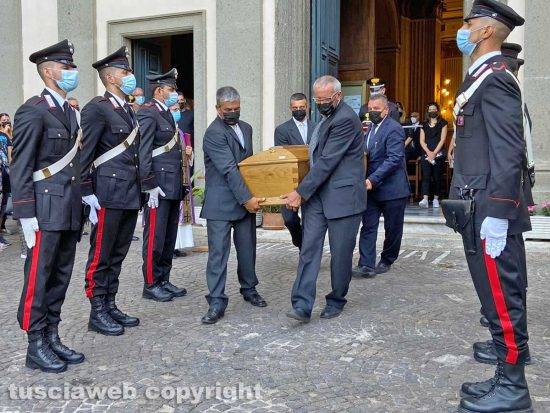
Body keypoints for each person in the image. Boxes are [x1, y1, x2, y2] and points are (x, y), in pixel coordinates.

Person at [449, 1, 533, 412]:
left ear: (484, 32)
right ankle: (504, 372)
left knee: (503, 296)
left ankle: (514, 389)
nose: (462, 30)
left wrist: (499, 213)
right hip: (476, 206)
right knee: (492, 294)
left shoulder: (496, 78)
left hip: (490, 209)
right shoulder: (479, 77)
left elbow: (508, 150)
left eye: (468, 23)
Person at [11, 39, 85, 373]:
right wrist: (25, 212)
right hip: (43, 210)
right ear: (48, 71)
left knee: (60, 275)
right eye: (66, 67)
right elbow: (21, 164)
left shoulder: (69, 111)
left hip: (68, 207)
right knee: (39, 278)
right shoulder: (32, 110)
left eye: (72, 66)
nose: (72, 72)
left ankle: (52, 334)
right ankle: (35, 343)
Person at [471, 41, 535, 368]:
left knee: (508, 278)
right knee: (506, 276)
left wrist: (503, 204)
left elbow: (514, 153)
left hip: (504, 192)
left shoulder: (501, 86)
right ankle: (506, 345)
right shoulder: (508, 90)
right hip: (506, 189)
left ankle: (512, 357)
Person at [283, 75, 366, 322]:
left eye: (324, 99)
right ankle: (301, 305)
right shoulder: (326, 120)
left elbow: (327, 161)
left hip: (343, 199)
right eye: (317, 99)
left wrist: (300, 192)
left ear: (338, 97)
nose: (320, 104)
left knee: (340, 254)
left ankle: (337, 299)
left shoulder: (346, 120)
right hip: (318, 199)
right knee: (309, 250)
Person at [79, 46, 141, 336]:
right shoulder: (96, 108)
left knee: (118, 252)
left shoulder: (128, 109)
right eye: (126, 72)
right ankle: (97, 309)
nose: (131, 76)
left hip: (129, 191)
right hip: (107, 191)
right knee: (101, 253)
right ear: (112, 77)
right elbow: (86, 154)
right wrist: (86, 190)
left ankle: (111, 302)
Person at [200, 86, 267, 325]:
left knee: (248, 249)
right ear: (218, 109)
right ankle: (216, 299)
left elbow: (247, 165)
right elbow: (229, 169)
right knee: (218, 254)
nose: (233, 113)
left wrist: (257, 193)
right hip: (221, 204)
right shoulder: (213, 134)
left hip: (244, 201)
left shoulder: (246, 128)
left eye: (237, 109)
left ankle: (249, 288)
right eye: (228, 109)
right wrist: (248, 199)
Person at [138, 68, 187, 302]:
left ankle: (164, 279)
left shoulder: (167, 113)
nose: (174, 94)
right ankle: (151, 283)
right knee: (155, 238)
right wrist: (149, 185)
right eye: (171, 89)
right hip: (157, 187)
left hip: (172, 185)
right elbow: (144, 150)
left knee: (168, 237)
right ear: (159, 91)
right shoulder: (148, 113)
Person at [352, 94, 410, 278]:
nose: (372, 112)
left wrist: (372, 179)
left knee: (393, 229)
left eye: (376, 109)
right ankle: (366, 265)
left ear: (386, 110)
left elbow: (394, 159)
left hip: (392, 189)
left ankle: (387, 260)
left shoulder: (394, 129)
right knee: (368, 226)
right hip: (371, 189)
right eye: (370, 109)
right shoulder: (368, 129)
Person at [273, 93, 315, 249]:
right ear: (290, 108)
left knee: (312, 219)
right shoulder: (282, 130)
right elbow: (281, 156)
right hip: (289, 181)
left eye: (302, 107)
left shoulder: (317, 127)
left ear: (307, 107)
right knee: (289, 219)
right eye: (295, 108)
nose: (299, 110)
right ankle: (300, 242)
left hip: (312, 179)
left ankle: (307, 252)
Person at [168, 103, 194, 258]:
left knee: (180, 215)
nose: (177, 112)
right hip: (170, 179)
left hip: (182, 178)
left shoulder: (182, 132)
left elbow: (188, 158)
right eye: (174, 109)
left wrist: (190, 154)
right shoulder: (164, 131)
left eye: (178, 109)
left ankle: (177, 246)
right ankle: (169, 247)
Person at [419, 102, 448, 209]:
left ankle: (436, 198)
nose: (432, 111)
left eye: (434, 109)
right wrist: (429, 152)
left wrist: (434, 153)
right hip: (426, 153)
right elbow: (422, 140)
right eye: (430, 109)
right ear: (427, 111)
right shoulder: (424, 124)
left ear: (437, 110)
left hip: (439, 153)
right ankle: (425, 199)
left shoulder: (443, 123)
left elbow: (443, 139)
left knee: (437, 176)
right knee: (426, 176)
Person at [0, 113, 13, 239]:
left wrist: (8, 133)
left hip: (6, 169)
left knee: (5, 199)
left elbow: (11, 152)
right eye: (3, 120)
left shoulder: (8, 134)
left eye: (7, 120)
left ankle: (2, 226)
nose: (6, 122)